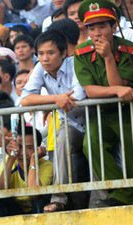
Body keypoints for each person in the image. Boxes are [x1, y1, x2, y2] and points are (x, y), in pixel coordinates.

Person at [73, 0, 133, 206]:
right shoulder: (81, 52)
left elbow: (123, 88)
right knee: (91, 144)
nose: (97, 33)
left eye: (102, 26)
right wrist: (117, 90)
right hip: (100, 113)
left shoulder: (131, 50)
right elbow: (90, 91)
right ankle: (122, 194)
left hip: (129, 112)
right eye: (91, 28)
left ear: (114, 26)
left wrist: (109, 58)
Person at [21, 30, 88, 212]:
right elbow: (25, 99)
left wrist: (58, 100)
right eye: (41, 54)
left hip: (92, 119)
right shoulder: (39, 69)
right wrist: (56, 99)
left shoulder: (75, 63)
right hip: (70, 122)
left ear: (64, 53)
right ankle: (59, 198)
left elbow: (77, 97)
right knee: (61, 139)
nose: (45, 58)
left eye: (50, 53)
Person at [0, 125, 53, 217]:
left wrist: (33, 160)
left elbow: (34, 193)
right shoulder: (10, 161)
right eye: (20, 147)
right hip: (16, 210)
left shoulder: (47, 165)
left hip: (36, 210)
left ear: (38, 149)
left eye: (29, 148)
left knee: (39, 199)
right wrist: (11, 159)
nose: (23, 153)